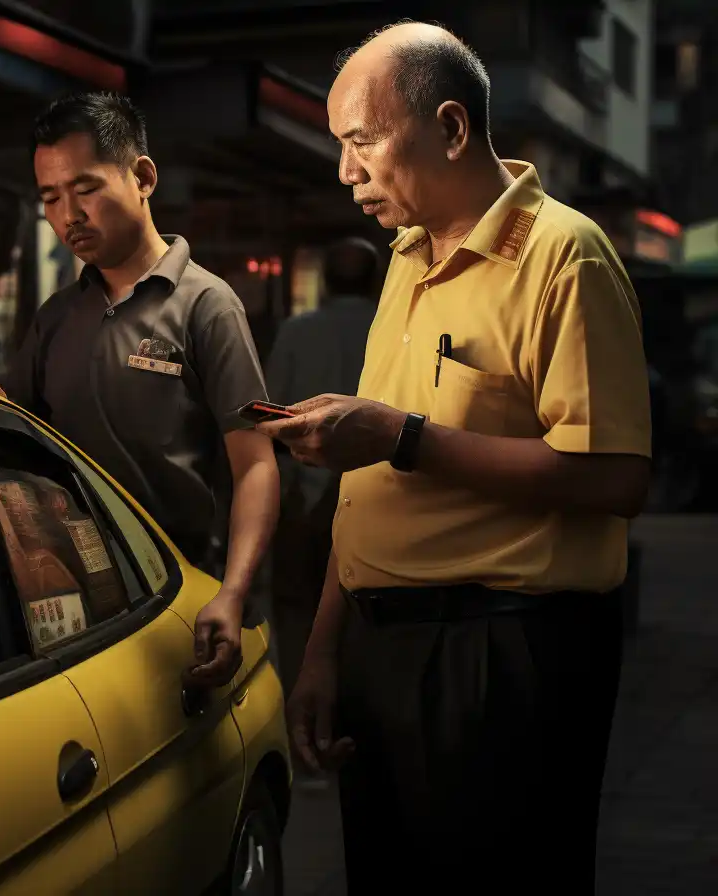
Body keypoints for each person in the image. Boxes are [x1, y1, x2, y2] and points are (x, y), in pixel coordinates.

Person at [256, 22, 652, 893]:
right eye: (339, 145)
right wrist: (323, 651)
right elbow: (366, 492)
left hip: (503, 653)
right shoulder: (406, 256)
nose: (345, 171)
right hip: (381, 646)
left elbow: (616, 477)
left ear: (450, 127)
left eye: (362, 141)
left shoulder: (565, 256)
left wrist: (404, 437)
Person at [0, 91, 280, 688]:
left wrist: (233, 593)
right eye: (50, 198)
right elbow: (23, 427)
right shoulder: (57, 316)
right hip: (80, 603)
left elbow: (255, 464)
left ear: (143, 177)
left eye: (86, 189)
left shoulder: (206, 306)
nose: (68, 215)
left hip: (181, 593)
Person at [261, 236, 379, 720]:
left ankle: (301, 716)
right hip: (377, 496)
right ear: (374, 280)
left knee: (296, 609)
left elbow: (270, 415)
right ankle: (354, 723)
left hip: (302, 491)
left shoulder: (297, 331)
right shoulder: (389, 327)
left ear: (325, 281)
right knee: (364, 610)